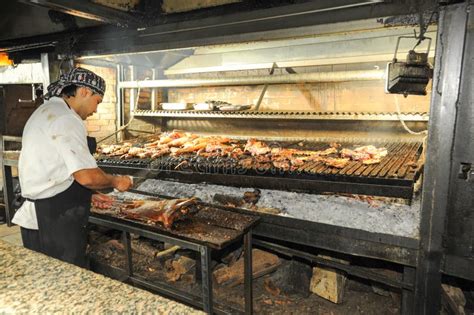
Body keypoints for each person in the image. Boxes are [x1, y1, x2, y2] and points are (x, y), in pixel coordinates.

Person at [12, 67, 132, 267]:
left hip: (39, 216)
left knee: (47, 278)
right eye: (97, 101)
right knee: (65, 277)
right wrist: (116, 181)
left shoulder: (46, 111)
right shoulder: (67, 119)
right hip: (54, 220)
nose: (96, 109)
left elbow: (56, 169)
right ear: (85, 92)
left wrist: (88, 195)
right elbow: (86, 176)